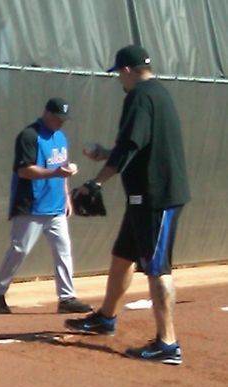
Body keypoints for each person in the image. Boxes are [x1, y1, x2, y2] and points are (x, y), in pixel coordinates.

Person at [65, 45, 190, 365]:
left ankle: (168, 343)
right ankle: (106, 317)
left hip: (155, 197)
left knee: (156, 268)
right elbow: (138, 145)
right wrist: (108, 153)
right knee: (123, 255)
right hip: (144, 196)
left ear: (126, 70)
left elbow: (132, 145)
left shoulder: (138, 96)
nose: (119, 79)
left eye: (119, 73)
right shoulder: (158, 94)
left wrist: (96, 182)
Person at [0, 98, 92, 314]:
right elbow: (24, 171)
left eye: (64, 119)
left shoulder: (61, 138)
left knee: (64, 250)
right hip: (31, 205)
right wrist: (55, 173)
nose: (61, 123)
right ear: (47, 114)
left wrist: (67, 197)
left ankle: (67, 298)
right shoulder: (29, 136)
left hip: (56, 206)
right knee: (19, 250)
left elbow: (62, 170)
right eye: (57, 118)